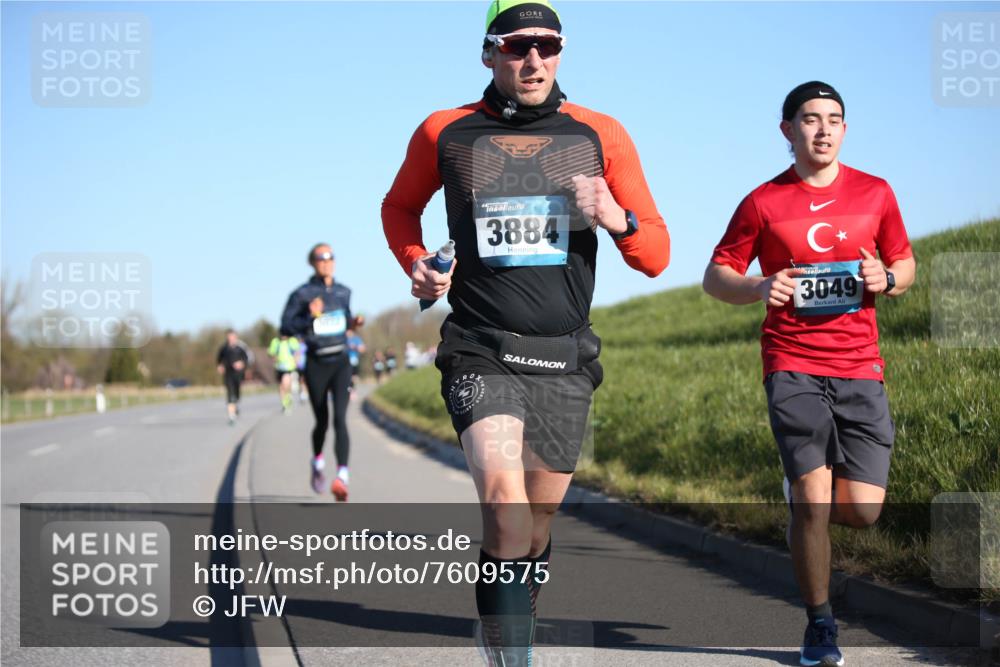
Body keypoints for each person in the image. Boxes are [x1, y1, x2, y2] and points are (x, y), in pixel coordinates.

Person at [381, 1, 669, 662]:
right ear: (489, 54)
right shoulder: (444, 132)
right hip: (480, 349)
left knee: (535, 525)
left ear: (561, 52)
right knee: (506, 511)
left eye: (547, 44)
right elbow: (399, 206)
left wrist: (616, 216)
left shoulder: (600, 134)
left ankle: (518, 593)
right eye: (515, 45)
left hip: (565, 358)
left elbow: (655, 254)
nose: (533, 59)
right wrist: (417, 264)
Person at [702, 81, 916, 667]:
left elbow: (905, 262)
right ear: (788, 130)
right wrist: (758, 286)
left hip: (860, 366)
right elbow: (716, 275)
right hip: (792, 361)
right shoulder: (763, 202)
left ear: (845, 129)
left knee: (863, 510)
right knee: (814, 502)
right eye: (811, 119)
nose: (823, 129)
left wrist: (887, 281)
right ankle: (820, 624)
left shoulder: (876, 193)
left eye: (834, 119)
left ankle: (802, 501)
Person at [280, 243, 361, 500]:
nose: (327, 261)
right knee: (322, 422)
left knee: (340, 419)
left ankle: (342, 477)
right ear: (312, 262)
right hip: (316, 363)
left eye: (330, 257)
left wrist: (354, 322)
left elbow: (344, 320)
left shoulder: (343, 291)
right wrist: (309, 316)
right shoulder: (302, 294)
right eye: (321, 258)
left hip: (340, 361)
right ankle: (317, 462)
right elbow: (285, 327)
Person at [216, 329, 251, 425]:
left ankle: (235, 406)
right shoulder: (224, 348)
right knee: (230, 393)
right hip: (228, 373)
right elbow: (219, 359)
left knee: (237, 394)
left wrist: (242, 364)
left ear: (236, 337)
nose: (230, 339)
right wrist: (220, 366)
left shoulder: (241, 347)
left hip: (238, 374)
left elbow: (247, 359)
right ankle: (231, 417)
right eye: (229, 337)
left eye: (232, 337)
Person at [267, 334, 300, 413]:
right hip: (279, 367)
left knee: (286, 384)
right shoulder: (275, 341)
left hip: (289, 367)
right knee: (281, 387)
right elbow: (270, 353)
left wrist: (296, 362)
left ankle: (288, 399)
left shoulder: (292, 341)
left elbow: (297, 352)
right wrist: (273, 356)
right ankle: (285, 403)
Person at [346, 326, 367, 394]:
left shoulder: (356, 339)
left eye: (349, 331)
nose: (348, 332)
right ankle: (346, 390)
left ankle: (352, 390)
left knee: (354, 377)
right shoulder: (343, 339)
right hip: (344, 361)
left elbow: (363, 349)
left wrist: (355, 347)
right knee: (346, 376)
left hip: (354, 360)